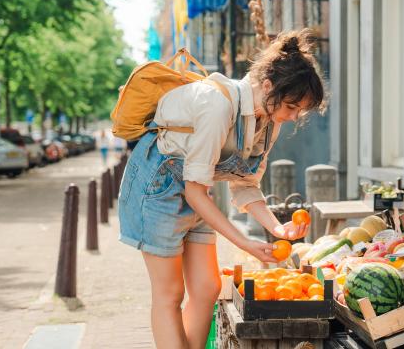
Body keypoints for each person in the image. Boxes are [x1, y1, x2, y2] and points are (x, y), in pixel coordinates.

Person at [117, 28, 326, 349]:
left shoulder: (268, 122)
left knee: (207, 288)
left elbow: (245, 185)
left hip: (195, 189)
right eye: (291, 106)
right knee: (169, 293)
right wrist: (243, 241)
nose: (293, 116)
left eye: (300, 111)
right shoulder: (217, 106)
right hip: (156, 187)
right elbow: (194, 191)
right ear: (267, 86)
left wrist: (276, 228)